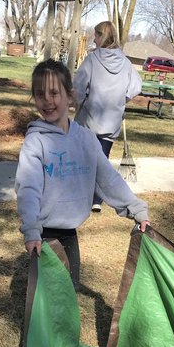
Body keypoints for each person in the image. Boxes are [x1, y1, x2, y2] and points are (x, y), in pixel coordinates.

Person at [15, 58, 149, 290]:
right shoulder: (35, 142)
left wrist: (135, 208)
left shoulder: (86, 139)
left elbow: (107, 179)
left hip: (70, 233)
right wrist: (32, 230)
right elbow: (28, 188)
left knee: (70, 290)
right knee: (49, 298)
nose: (47, 100)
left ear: (70, 96)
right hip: (44, 234)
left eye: (54, 93)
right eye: (39, 94)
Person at [73, 20, 142, 212]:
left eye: (95, 36)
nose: (94, 39)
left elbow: (79, 85)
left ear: (101, 36)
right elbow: (136, 86)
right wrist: (122, 99)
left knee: (84, 159)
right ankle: (96, 199)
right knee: (102, 160)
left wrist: (79, 100)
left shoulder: (92, 60)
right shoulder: (126, 63)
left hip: (89, 120)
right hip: (111, 122)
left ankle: (85, 196)